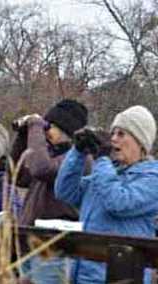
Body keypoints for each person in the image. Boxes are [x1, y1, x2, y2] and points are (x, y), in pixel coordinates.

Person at [55, 105, 158, 284]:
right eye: (113, 133)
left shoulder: (152, 179)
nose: (113, 139)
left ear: (140, 142)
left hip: (122, 277)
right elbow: (65, 192)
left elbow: (118, 202)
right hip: (83, 273)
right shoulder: (107, 173)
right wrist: (77, 152)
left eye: (121, 134)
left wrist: (101, 158)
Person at [10, 99, 88, 284]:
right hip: (30, 243)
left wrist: (36, 126)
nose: (44, 131)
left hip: (54, 247)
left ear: (66, 131)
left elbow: (40, 169)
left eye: (49, 126)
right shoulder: (49, 155)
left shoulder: (77, 161)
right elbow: (16, 175)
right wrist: (23, 135)